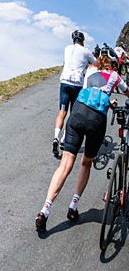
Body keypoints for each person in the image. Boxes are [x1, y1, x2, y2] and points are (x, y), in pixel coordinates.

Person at [36, 48, 128, 232]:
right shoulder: (116, 77)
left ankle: (45, 210)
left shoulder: (90, 70)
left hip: (77, 113)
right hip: (96, 120)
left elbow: (93, 88)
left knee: (65, 165)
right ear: (114, 63)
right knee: (86, 163)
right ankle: (73, 206)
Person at [53, 30, 96, 158]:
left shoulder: (67, 48)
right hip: (77, 85)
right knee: (73, 114)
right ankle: (63, 140)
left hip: (64, 82)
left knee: (62, 112)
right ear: (82, 41)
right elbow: (95, 63)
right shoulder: (86, 51)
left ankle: (56, 137)